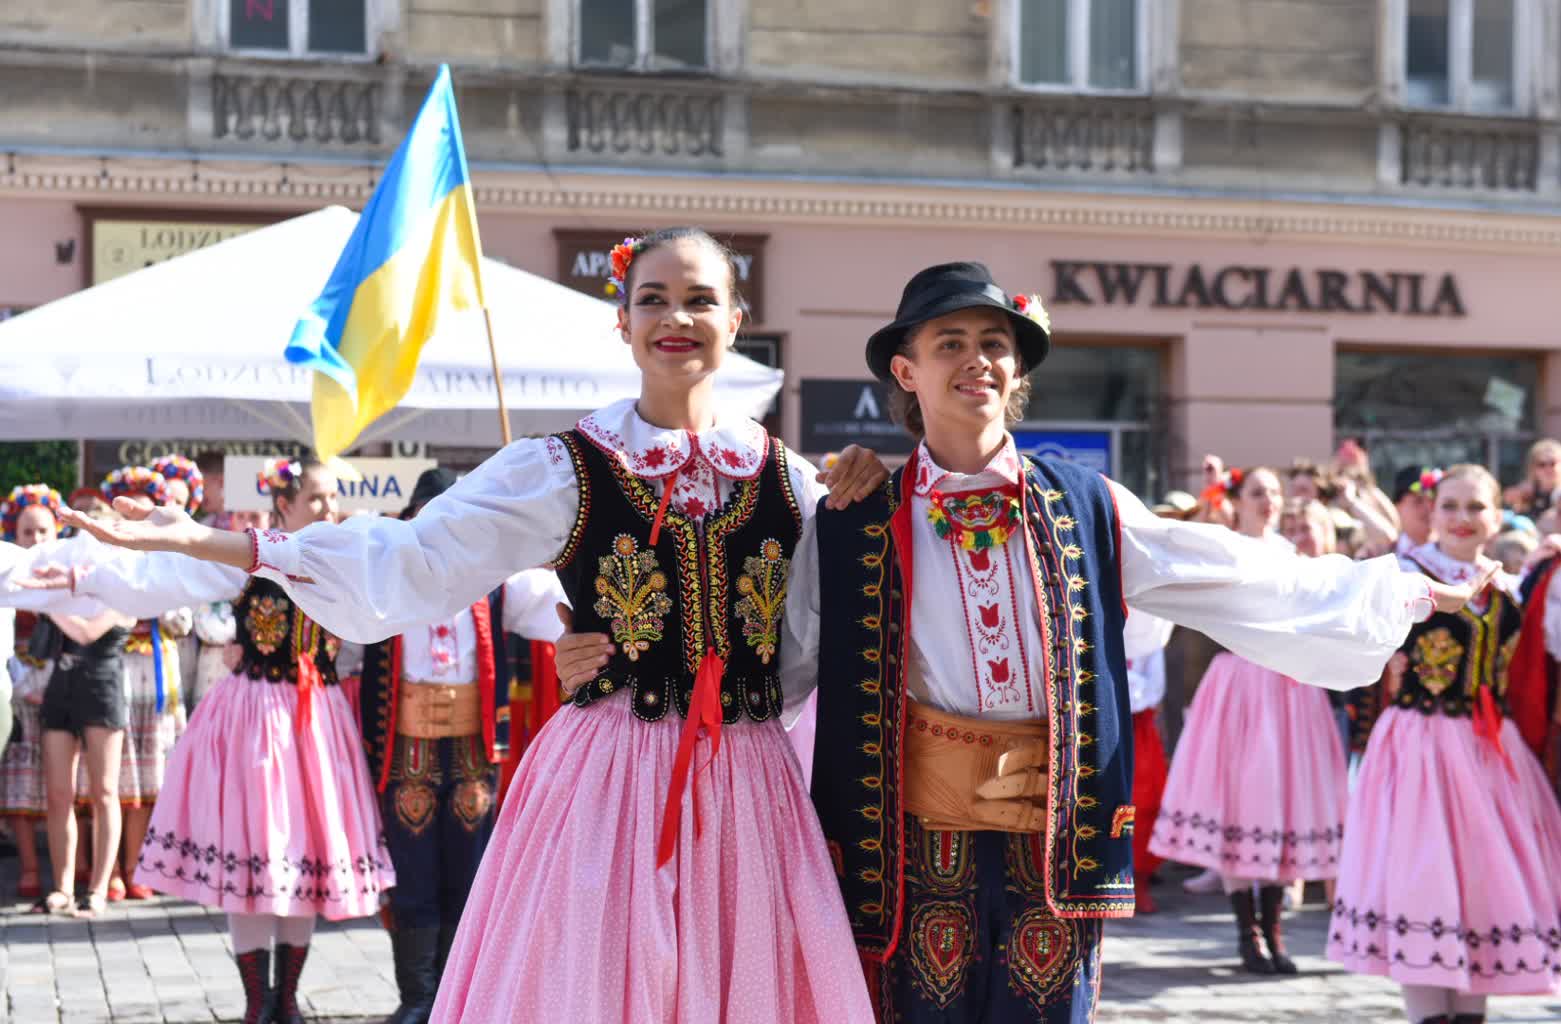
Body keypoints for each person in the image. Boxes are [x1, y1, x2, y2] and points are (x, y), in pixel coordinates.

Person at [43, 228, 888, 1023]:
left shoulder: (793, 483)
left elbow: (810, 651)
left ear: (735, 320)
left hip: (746, 783)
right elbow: (408, 561)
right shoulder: (565, 469)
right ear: (622, 320)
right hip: (608, 778)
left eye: (699, 300)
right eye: (653, 298)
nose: (675, 318)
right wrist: (208, 538)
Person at [768, 262, 1487, 1022]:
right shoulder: (851, 516)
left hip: (1051, 829)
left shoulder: (1084, 504)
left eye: (994, 342)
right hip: (907, 836)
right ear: (907, 371)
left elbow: (1236, 574)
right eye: (950, 343)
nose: (976, 358)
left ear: (1015, 373)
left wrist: (1397, 588)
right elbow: (784, 663)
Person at [14, 458, 395, 1024]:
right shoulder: (247, 558)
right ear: (282, 506)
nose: (327, 510)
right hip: (256, 718)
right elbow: (165, 579)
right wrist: (84, 578)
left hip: (315, 723)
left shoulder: (344, 560)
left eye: (332, 499)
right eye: (315, 498)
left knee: (301, 859)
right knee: (254, 856)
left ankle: (286, 999)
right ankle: (256, 1002)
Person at [1328, 463, 1561, 1024]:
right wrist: (1382, 658)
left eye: (1475, 507)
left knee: (1479, 886)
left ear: (1497, 514)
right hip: (1418, 743)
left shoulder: (1509, 585)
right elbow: (1350, 639)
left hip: (1489, 753)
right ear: (1430, 512)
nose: (1461, 518)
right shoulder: (1405, 573)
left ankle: (1470, 1013)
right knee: (1423, 876)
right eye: (1449, 505)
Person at [358, 467, 568, 1023]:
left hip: (474, 747)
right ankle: (416, 999)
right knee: (413, 868)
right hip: (407, 745)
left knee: (470, 871)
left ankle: (459, 997)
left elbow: (557, 608)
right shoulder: (388, 576)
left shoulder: (495, 579)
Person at [0, 485, 63, 900]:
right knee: (21, 778)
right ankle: (26, 867)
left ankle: (73, 867)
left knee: (65, 782)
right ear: (14, 534)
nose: (36, 540)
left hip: (63, 682)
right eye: (28, 532)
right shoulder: (7, 568)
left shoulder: (71, 573)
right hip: (18, 686)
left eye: (43, 532)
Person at [1505, 438, 1561, 520]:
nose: (1548, 469)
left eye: (1552, 463)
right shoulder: (1525, 492)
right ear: (1533, 468)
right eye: (1541, 464)